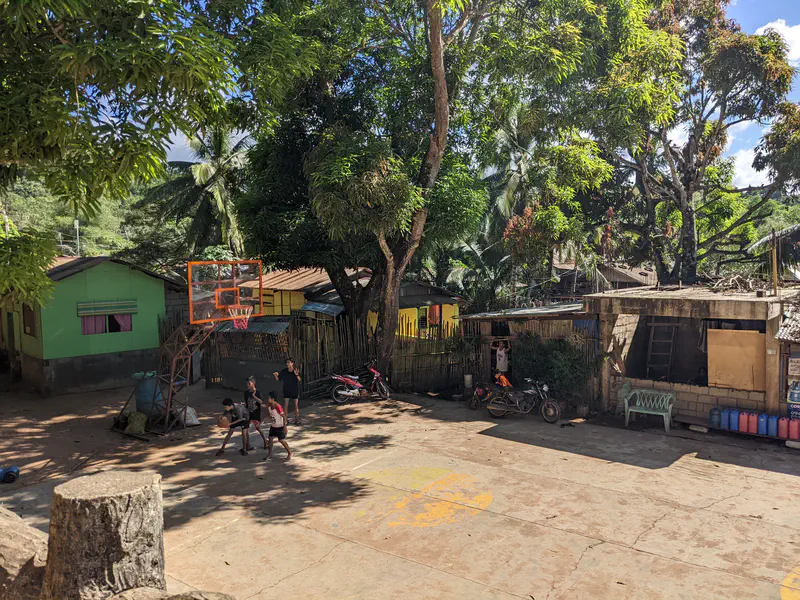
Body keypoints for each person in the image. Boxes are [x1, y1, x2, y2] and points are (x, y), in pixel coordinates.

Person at [263, 392, 291, 461]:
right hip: (273, 426)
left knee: (281, 440)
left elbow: (284, 416)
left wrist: (285, 426)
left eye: (269, 398)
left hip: (280, 426)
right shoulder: (269, 406)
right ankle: (269, 454)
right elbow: (271, 414)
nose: (268, 399)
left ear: (273, 399)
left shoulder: (277, 406)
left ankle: (289, 453)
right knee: (270, 439)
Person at [273, 357, 302, 425]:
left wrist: (297, 374)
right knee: (285, 405)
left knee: (296, 405)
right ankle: (285, 420)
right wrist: (275, 375)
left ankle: (297, 419)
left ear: (292, 363)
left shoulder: (295, 370)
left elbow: (300, 380)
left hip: (294, 390)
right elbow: (278, 379)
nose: (287, 364)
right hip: (286, 390)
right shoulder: (284, 371)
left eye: (289, 362)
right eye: (286, 362)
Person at [244, 376, 268, 450]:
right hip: (248, 413)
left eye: (249, 383)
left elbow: (261, 402)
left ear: (253, 383)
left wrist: (254, 396)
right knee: (246, 428)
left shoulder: (258, 393)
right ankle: (248, 444)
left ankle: (265, 441)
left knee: (258, 428)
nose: (247, 385)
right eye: (247, 384)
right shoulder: (246, 393)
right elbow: (246, 403)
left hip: (256, 413)